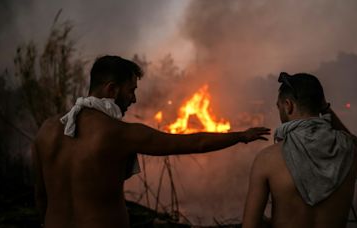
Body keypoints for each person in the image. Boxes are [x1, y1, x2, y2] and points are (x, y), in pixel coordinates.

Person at [31, 55, 271, 228]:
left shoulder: (47, 131)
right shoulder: (119, 133)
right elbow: (193, 143)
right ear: (112, 89)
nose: (133, 99)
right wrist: (240, 136)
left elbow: (41, 197)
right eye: (131, 90)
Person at [242, 72, 357, 228]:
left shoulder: (267, 160)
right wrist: (324, 107)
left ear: (288, 105)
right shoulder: (350, 149)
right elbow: (348, 136)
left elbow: (250, 226)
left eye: (279, 107)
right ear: (321, 105)